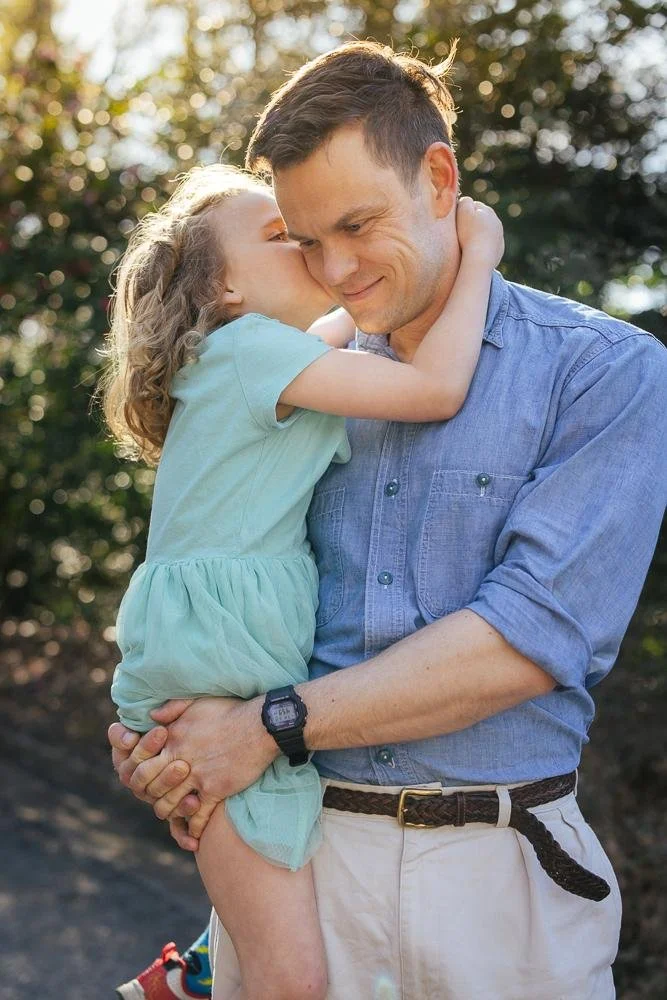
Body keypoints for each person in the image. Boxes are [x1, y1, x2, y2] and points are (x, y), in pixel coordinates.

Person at [110, 40, 667, 1000]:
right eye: (303, 237)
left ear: (439, 178)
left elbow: (530, 640)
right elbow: (211, 579)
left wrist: (264, 726)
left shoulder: (605, 372)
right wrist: (166, 745)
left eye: (357, 224)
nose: (334, 267)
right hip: (303, 847)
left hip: (500, 885)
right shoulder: (291, 367)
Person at [103, 157, 503, 1000]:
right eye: (286, 236)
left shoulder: (255, 354)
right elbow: (433, 388)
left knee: (270, 920)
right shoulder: (252, 355)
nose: (314, 248)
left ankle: (201, 974)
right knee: (292, 980)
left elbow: (338, 341)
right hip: (217, 660)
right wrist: (480, 255)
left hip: (223, 654)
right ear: (225, 292)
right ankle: (202, 978)